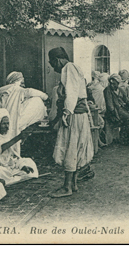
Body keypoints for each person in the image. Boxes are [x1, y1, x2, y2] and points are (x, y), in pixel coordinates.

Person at [48, 47, 94, 198]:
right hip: (76, 114)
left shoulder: (69, 68)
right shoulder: (69, 70)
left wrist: (67, 113)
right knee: (73, 148)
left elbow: (72, 93)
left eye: (53, 63)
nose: (53, 67)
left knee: (70, 148)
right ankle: (73, 184)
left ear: (59, 60)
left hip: (74, 115)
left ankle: (67, 186)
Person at [0, 71, 48, 158]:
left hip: (2, 119)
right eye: (22, 82)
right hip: (14, 119)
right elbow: (30, 91)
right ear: (16, 81)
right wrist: (46, 97)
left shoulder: (2, 90)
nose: (23, 85)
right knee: (37, 100)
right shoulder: (17, 89)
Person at [0, 109, 38, 186]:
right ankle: (11, 178)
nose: (7, 127)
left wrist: (21, 165)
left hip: (8, 166)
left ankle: (11, 177)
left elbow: (12, 156)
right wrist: (18, 137)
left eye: (8, 123)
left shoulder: (5, 135)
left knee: (29, 162)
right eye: (4, 124)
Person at [104, 74, 129, 146]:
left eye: (115, 84)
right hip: (114, 112)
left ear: (118, 83)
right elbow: (110, 105)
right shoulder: (107, 90)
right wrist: (115, 114)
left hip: (121, 109)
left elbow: (126, 99)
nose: (113, 85)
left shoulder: (120, 89)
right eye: (111, 83)